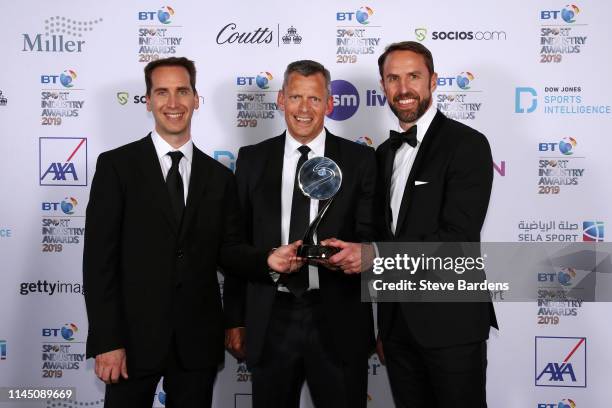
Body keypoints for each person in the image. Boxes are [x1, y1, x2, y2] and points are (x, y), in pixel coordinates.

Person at [83, 56, 300, 408]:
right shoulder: (116, 167)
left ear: (196, 99)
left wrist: (267, 259)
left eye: (182, 91)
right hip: (131, 341)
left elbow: (229, 251)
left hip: (196, 341)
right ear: (148, 100)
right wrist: (108, 340)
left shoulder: (219, 177)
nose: (173, 103)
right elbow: (98, 263)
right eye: (162, 92)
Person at [324, 41, 498, 407]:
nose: (403, 89)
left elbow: (456, 239)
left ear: (433, 80)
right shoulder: (383, 154)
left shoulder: (467, 144)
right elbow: (380, 232)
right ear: (383, 86)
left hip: (451, 325)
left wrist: (373, 255)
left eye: (413, 76)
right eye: (393, 78)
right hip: (397, 327)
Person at [223, 60, 376, 408]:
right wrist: (234, 319)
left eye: (314, 99)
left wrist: (354, 254)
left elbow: (372, 236)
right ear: (280, 99)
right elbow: (233, 246)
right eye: (295, 97)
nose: (304, 109)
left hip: (338, 315)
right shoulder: (252, 160)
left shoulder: (360, 160)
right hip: (271, 315)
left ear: (330, 104)